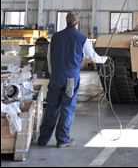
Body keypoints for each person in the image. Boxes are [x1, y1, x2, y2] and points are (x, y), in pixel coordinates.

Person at [37, 10, 107, 148]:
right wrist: (105, 59)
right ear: (77, 22)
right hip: (71, 80)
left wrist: (53, 73)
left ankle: (43, 139)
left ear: (67, 21)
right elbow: (94, 57)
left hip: (56, 78)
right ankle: (62, 140)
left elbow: (49, 58)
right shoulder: (82, 39)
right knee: (67, 108)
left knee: (51, 107)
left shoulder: (55, 37)